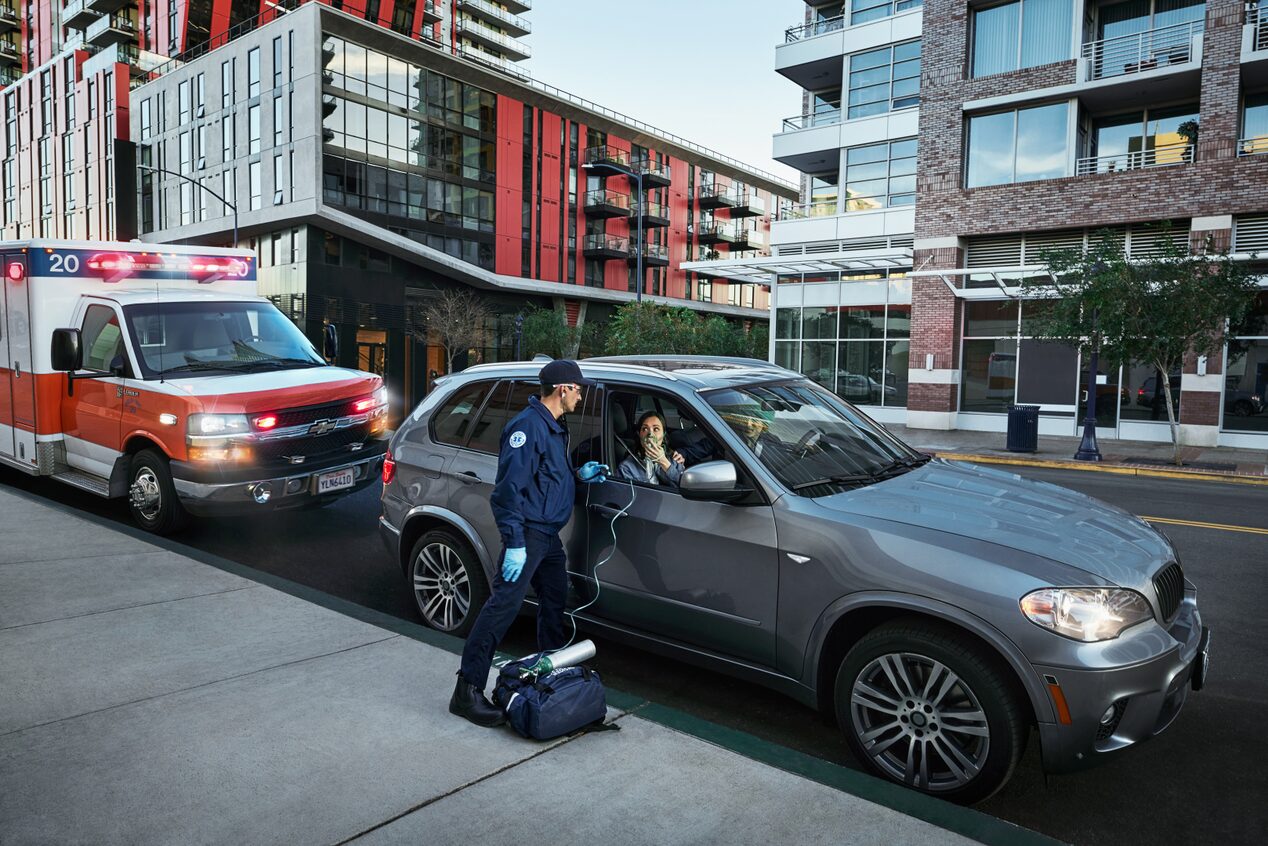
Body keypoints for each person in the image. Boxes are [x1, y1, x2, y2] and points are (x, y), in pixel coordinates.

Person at [449, 359, 597, 727]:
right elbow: (507, 494)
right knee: (501, 608)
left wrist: (580, 477)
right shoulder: (527, 429)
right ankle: (466, 691)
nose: (582, 395)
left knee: (555, 598)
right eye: (579, 389)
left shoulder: (554, 427)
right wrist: (515, 542)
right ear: (563, 389)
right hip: (528, 535)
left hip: (547, 537)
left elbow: (548, 480)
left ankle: (548, 672)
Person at [618, 411, 686, 488]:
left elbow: (686, 487)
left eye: (656, 429)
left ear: (663, 435)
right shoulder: (627, 468)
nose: (650, 434)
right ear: (639, 434)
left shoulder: (675, 459)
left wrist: (664, 463)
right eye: (645, 429)